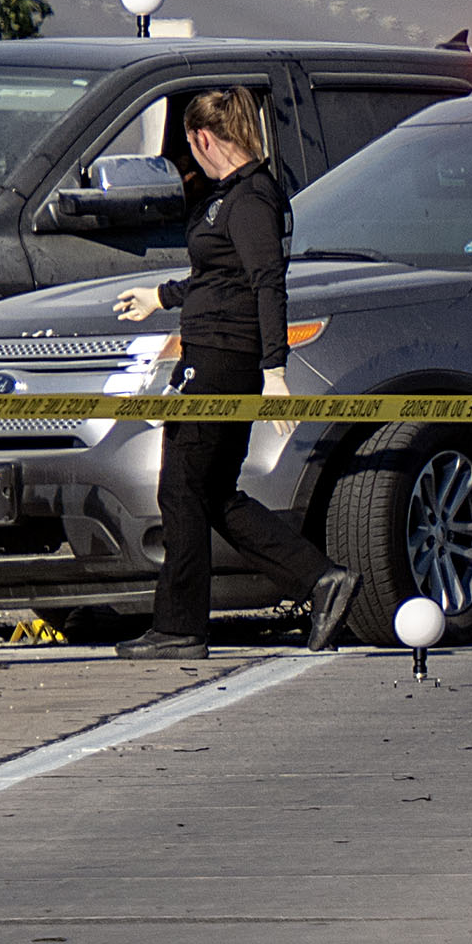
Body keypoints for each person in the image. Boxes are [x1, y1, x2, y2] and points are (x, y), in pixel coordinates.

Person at [109, 88, 360, 660]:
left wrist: (275, 371)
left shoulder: (250, 199)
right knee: (213, 493)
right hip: (215, 351)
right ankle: (321, 580)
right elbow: (221, 276)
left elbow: (268, 283)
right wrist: (161, 295)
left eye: (190, 149)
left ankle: (179, 628)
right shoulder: (236, 196)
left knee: (182, 489)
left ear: (202, 139)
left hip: (223, 360)